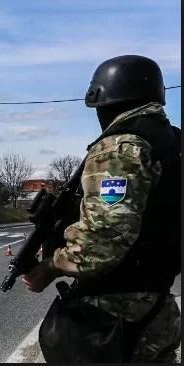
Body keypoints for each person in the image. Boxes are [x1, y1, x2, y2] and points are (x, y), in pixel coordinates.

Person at [21, 55, 181, 362]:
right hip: (157, 308)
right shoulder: (171, 141)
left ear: (109, 100)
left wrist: (50, 267)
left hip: (113, 320)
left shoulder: (121, 148)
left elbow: (100, 243)